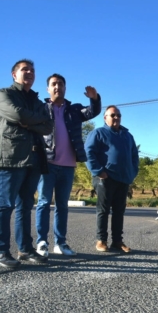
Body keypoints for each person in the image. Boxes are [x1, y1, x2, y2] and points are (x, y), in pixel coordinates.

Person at [35, 74, 101, 257]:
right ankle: (41, 242)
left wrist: (94, 98)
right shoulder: (41, 109)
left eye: (61, 84)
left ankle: (60, 243)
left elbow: (92, 112)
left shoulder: (74, 110)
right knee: (43, 203)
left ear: (65, 88)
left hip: (68, 165)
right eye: (54, 84)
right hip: (47, 163)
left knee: (62, 205)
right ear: (48, 89)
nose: (57, 87)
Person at [0, 59, 53, 268]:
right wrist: (33, 120)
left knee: (25, 207)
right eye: (24, 70)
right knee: (4, 206)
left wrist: (27, 121)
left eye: (32, 70)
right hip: (11, 159)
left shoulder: (38, 102)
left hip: (33, 160)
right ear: (14, 75)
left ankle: (25, 249)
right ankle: (2, 251)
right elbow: (17, 114)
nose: (29, 72)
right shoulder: (5, 94)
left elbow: (48, 126)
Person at [84, 105, 138, 253]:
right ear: (105, 117)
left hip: (123, 178)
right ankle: (101, 240)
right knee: (103, 210)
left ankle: (117, 241)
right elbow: (89, 153)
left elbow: (134, 156)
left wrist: (132, 172)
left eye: (118, 115)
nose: (116, 118)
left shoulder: (127, 136)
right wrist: (98, 171)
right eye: (113, 115)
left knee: (119, 211)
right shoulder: (98, 133)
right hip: (105, 177)